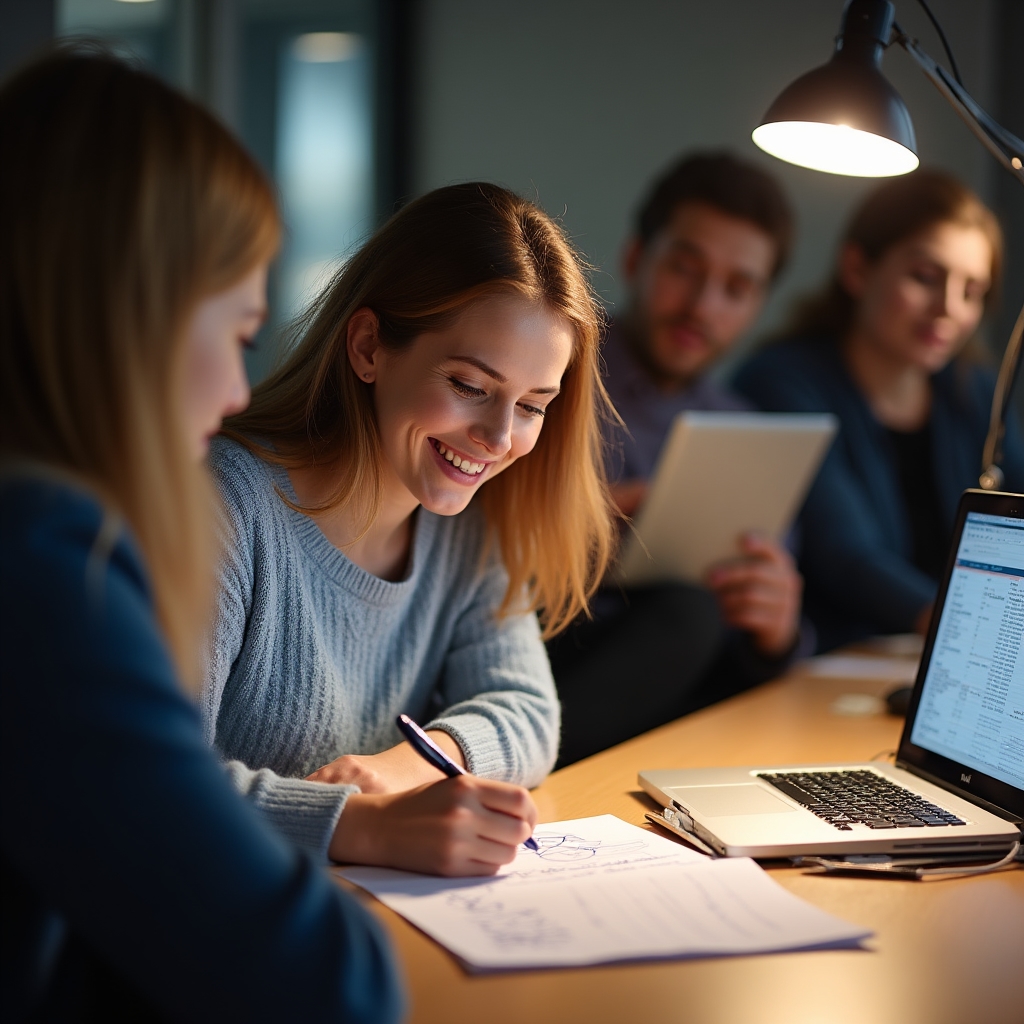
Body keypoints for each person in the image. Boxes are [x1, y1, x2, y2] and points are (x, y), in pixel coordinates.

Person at [0, 50, 403, 1022]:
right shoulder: (44, 563)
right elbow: (328, 981)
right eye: (233, 331)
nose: (234, 393)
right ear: (125, 316)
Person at [204, 182, 616, 873]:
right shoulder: (225, 502)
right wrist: (365, 826)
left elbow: (526, 711)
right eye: (469, 386)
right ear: (367, 346)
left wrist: (400, 773)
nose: (498, 438)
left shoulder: (470, 526)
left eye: (533, 406)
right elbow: (143, 779)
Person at [548, 151, 808, 767]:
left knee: (714, 630)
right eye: (684, 269)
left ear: (758, 304)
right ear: (637, 258)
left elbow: (771, 627)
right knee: (689, 614)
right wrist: (569, 534)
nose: (703, 306)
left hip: (688, 694)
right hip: (553, 654)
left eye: (737, 289)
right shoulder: (551, 374)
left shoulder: (746, 430)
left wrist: (779, 626)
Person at [736, 169, 1024, 651]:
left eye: (972, 292)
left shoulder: (974, 393)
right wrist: (964, 627)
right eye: (925, 278)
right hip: (832, 661)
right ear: (857, 268)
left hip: (938, 653)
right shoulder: (782, 382)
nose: (949, 309)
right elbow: (847, 554)